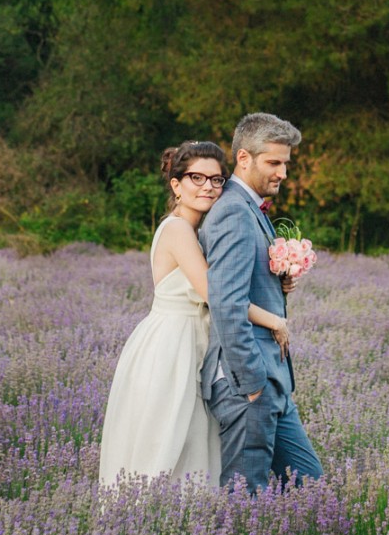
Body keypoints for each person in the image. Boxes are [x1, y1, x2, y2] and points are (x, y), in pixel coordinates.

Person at [99, 140, 290, 491]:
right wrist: (274, 320)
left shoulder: (199, 230)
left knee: (198, 442)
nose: (208, 187)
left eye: (216, 180)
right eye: (196, 178)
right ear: (176, 185)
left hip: (194, 339)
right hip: (173, 344)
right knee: (171, 441)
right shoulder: (177, 230)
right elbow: (216, 295)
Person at [199, 112, 323, 492]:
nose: (283, 173)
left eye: (286, 163)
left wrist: (278, 283)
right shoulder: (234, 213)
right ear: (243, 159)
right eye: (274, 162)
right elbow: (226, 304)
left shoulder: (252, 210)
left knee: (308, 482)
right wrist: (252, 384)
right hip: (251, 382)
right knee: (245, 494)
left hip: (274, 379)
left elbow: (244, 284)